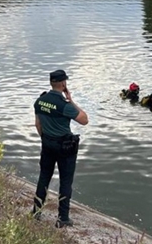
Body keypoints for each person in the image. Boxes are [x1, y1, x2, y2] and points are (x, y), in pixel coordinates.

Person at [32, 69, 89, 228]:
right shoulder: (64, 105)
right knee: (65, 181)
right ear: (64, 84)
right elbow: (84, 120)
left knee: (44, 177)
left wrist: (45, 139)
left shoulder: (39, 101)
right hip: (64, 146)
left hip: (47, 143)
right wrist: (71, 100)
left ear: (51, 83)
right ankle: (63, 218)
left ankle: (36, 212)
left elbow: (38, 124)